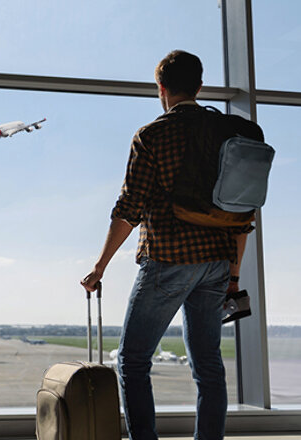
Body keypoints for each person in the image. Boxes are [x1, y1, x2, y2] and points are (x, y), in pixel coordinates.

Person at [80, 50, 260, 440]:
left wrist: (100, 266)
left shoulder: (152, 136)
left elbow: (128, 210)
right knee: (209, 366)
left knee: (132, 359)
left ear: (160, 88)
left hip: (169, 259)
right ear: (200, 86)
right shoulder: (230, 133)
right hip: (216, 263)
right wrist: (233, 272)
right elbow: (243, 215)